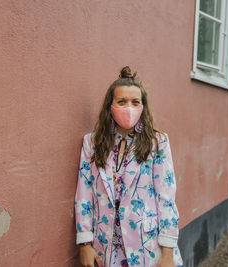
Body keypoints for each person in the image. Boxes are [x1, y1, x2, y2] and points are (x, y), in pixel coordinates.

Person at [74, 66, 183, 267]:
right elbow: (84, 194)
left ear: (143, 106)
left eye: (135, 102)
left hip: (147, 246)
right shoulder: (92, 142)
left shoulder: (157, 143)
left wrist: (168, 252)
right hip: (105, 246)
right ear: (110, 105)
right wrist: (84, 244)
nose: (129, 108)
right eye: (121, 102)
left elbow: (166, 198)